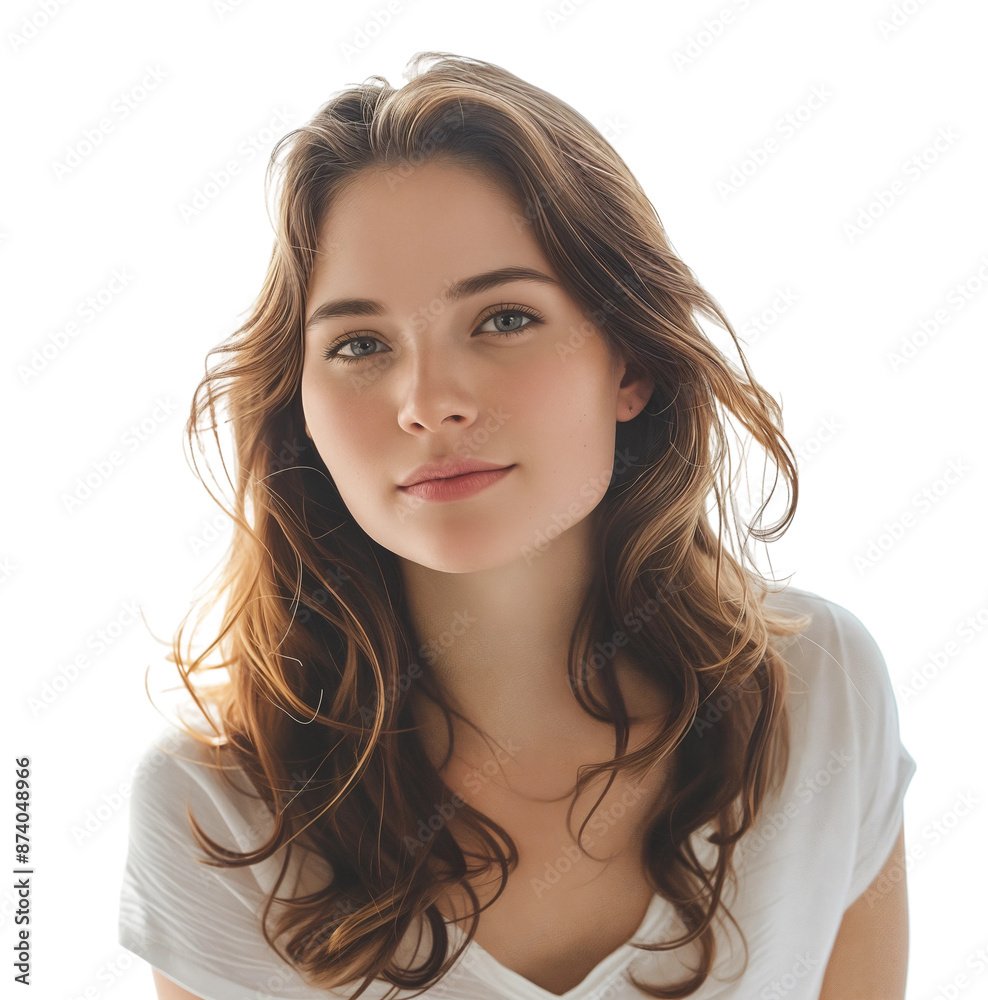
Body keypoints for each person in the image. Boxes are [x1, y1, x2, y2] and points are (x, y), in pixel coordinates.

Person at [117, 51, 917, 1000]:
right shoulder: (218, 811)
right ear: (302, 409)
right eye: (360, 344)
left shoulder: (820, 691)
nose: (427, 403)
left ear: (630, 364)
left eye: (501, 320)